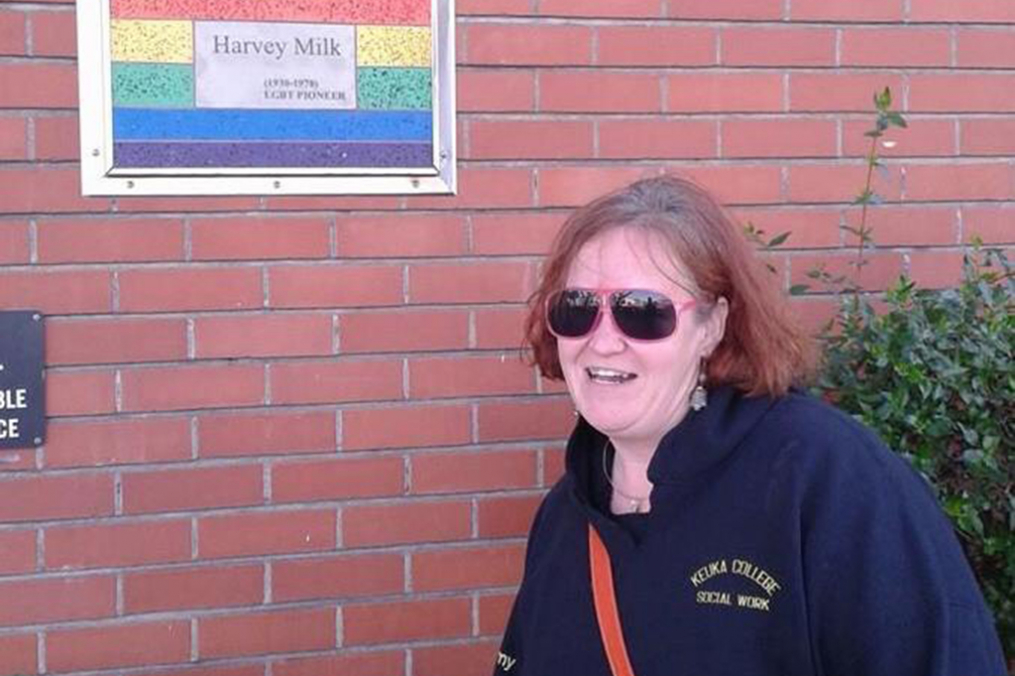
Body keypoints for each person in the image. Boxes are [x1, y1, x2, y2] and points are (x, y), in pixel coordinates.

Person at [492, 175, 1007, 676]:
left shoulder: (825, 478)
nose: (603, 341)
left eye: (643, 312)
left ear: (712, 326)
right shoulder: (566, 513)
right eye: (578, 308)